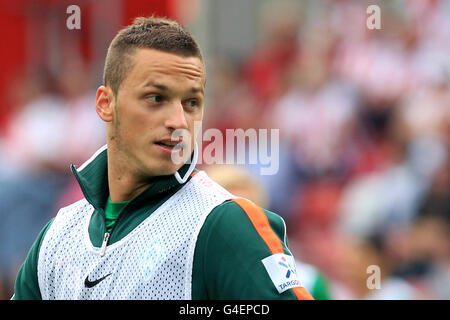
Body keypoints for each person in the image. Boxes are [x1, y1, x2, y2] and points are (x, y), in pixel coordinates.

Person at [12, 16, 313, 300]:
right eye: (156, 98)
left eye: (192, 102)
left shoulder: (224, 224)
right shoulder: (56, 237)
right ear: (106, 104)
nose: (179, 121)